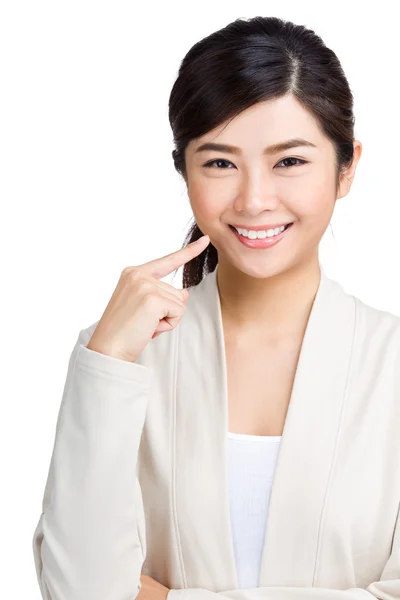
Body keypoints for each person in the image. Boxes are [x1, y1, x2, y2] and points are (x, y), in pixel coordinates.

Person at [32, 15, 400, 600]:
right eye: (220, 163)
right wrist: (106, 362)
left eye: (290, 161)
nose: (254, 200)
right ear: (184, 171)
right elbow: (77, 589)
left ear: (347, 166)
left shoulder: (391, 365)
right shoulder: (123, 357)